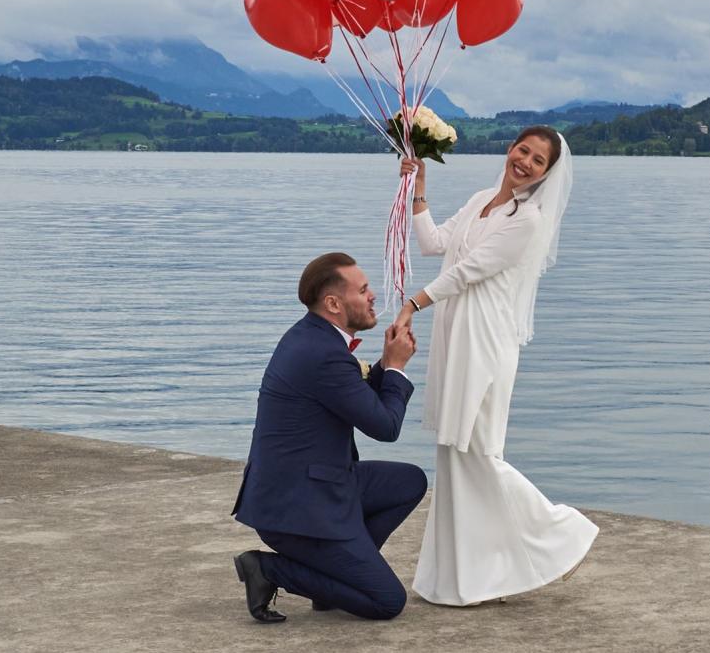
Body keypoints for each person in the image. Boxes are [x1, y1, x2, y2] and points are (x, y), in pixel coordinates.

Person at [394, 126, 597, 607]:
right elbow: (434, 244)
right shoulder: (483, 197)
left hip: (485, 337)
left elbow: (469, 272)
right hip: (455, 332)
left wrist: (411, 305)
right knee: (453, 451)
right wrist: (417, 187)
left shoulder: (528, 221)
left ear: (546, 174)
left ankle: (563, 533)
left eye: (538, 161)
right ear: (510, 149)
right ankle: (464, 577)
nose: (525, 162)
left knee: (478, 450)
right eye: (522, 150)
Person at [231, 252, 428, 622]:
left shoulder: (312, 337)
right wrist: (398, 369)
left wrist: (385, 363)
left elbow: (351, 394)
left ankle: (332, 582)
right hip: (297, 509)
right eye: (364, 290)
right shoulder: (323, 354)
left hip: (316, 483)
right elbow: (385, 427)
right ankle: (267, 570)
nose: (373, 296)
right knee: (387, 602)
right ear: (334, 303)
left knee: (409, 482)